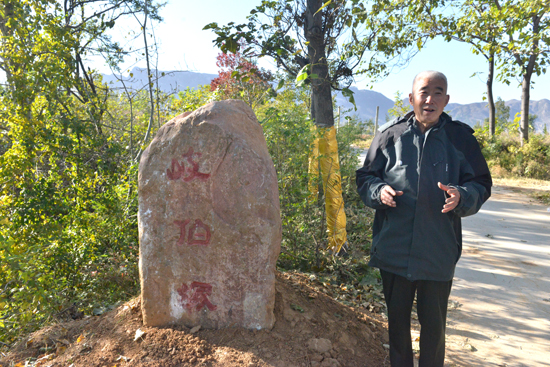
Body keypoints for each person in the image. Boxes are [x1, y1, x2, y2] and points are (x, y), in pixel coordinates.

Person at [356, 71, 492, 367]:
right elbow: (366, 177)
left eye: (437, 92)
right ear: (411, 97)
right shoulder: (389, 135)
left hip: (438, 250)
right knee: (398, 328)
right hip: (394, 247)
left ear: (447, 99)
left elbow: (481, 183)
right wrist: (379, 191)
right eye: (424, 92)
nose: (430, 99)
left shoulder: (460, 138)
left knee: (434, 329)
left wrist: (462, 196)